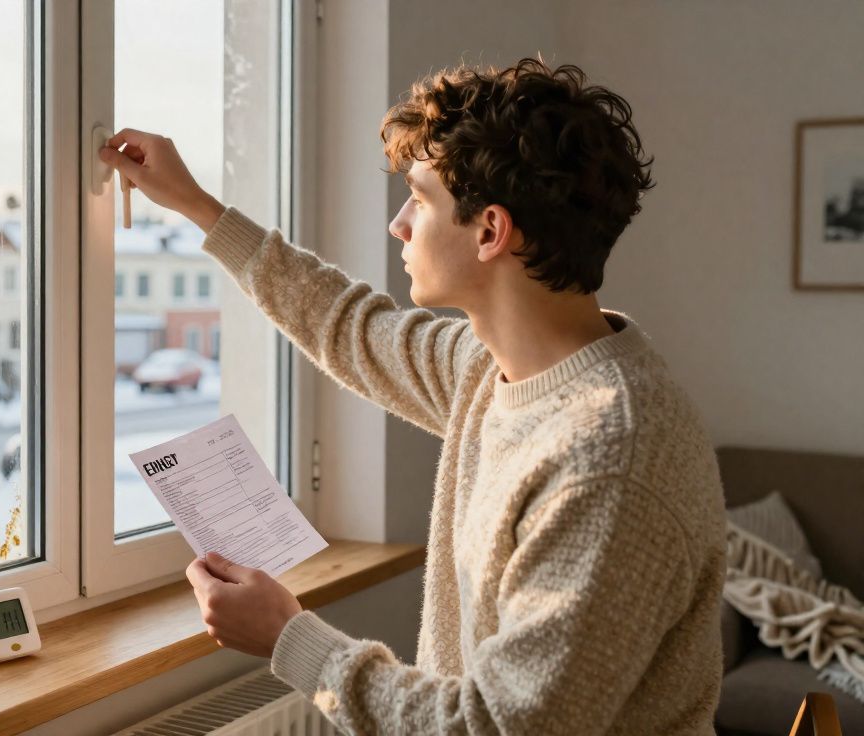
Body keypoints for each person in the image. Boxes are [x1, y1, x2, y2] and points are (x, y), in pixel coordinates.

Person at [99, 57, 726, 735]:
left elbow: (498, 728)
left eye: (419, 199)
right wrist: (197, 205)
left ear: (490, 231)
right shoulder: (490, 368)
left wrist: (290, 637)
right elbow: (347, 325)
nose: (399, 224)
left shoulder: (608, 459)